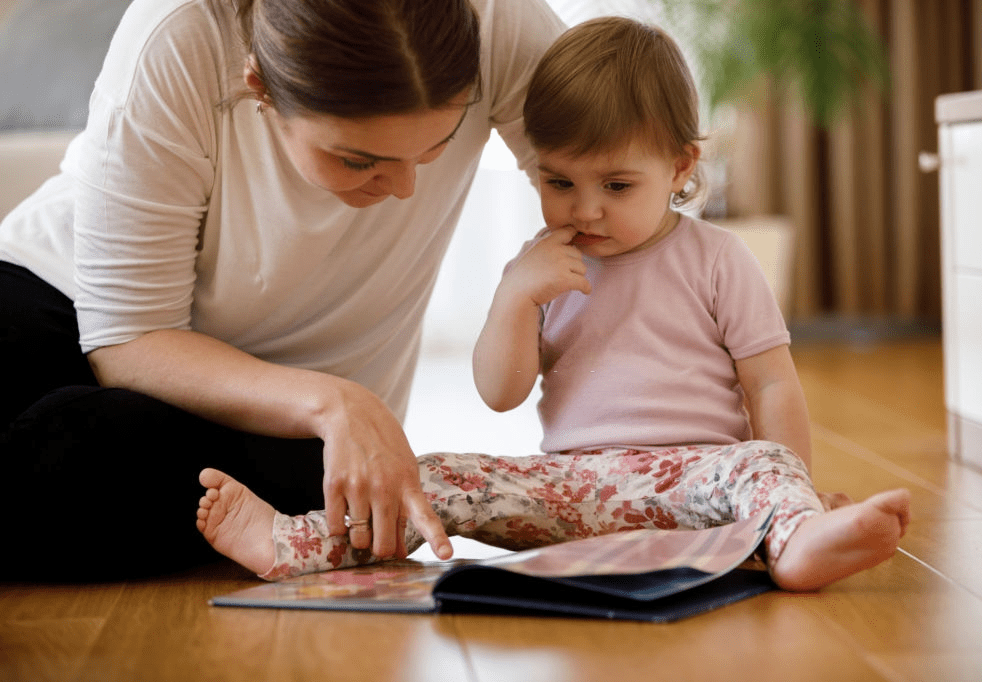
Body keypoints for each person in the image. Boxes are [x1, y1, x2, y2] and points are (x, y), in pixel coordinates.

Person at [195, 16, 910, 591]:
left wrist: (793, 483)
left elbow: (772, 382)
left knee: (766, 465)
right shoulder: (537, 267)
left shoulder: (719, 258)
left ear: (681, 166)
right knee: (431, 473)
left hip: (702, 479)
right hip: (571, 490)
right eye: (558, 182)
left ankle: (795, 538)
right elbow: (500, 394)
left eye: (617, 186)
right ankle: (288, 544)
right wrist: (513, 297)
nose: (587, 209)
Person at [0, 0, 566, 581]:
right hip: (64, 296)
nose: (404, 187)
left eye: (434, 148)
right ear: (259, 87)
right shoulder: (181, 34)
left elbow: (626, 188)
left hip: (283, 430)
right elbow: (128, 336)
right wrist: (337, 401)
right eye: (357, 159)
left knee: (91, 458)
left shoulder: (496, 25)